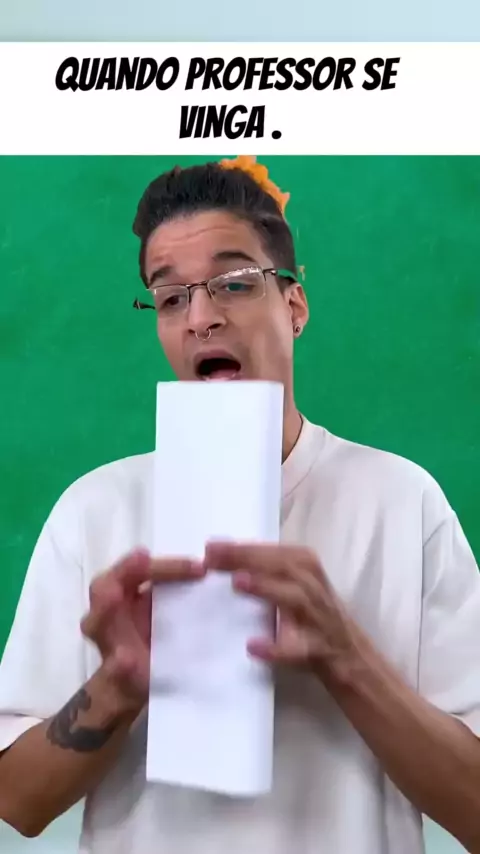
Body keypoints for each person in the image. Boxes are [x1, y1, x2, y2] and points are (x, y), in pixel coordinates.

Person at [0, 155, 479, 854]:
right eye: (170, 297)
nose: (201, 317)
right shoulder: (93, 511)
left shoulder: (402, 502)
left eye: (233, 283)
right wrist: (119, 685)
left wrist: (346, 657)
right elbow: (18, 802)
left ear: (294, 306)